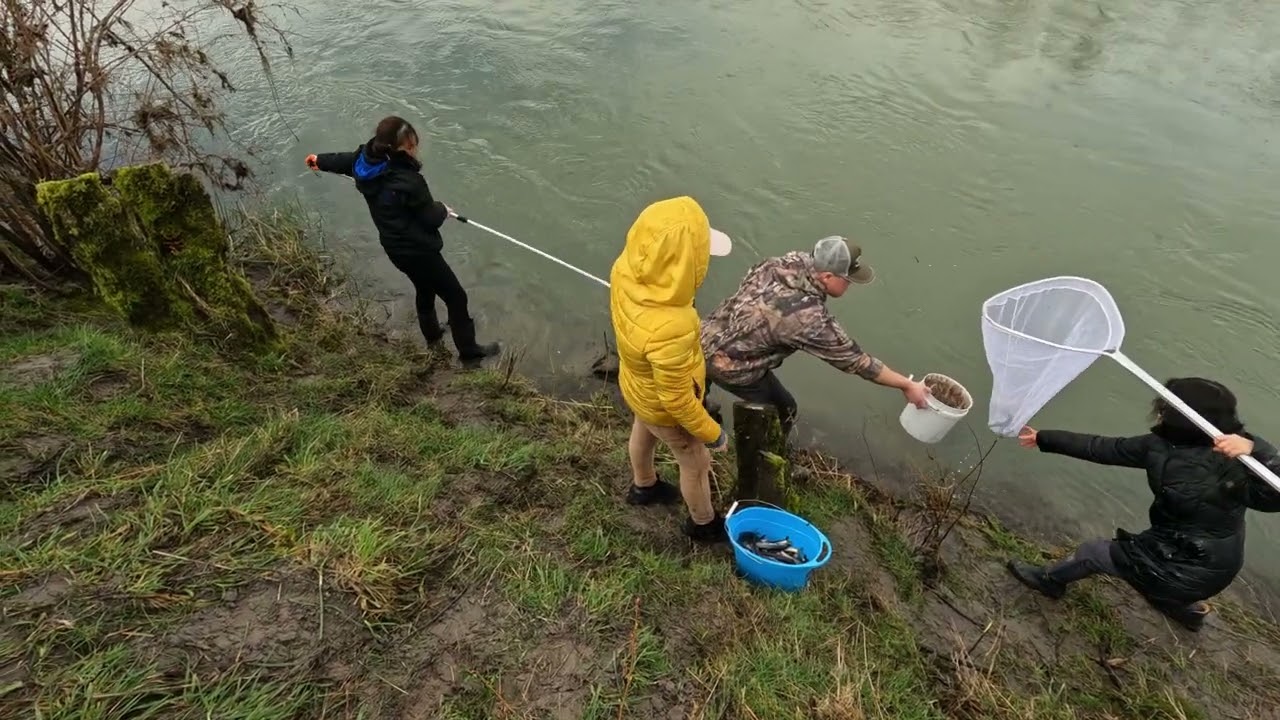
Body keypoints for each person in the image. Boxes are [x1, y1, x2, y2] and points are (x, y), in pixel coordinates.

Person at [1007, 377, 1280, 632]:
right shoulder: (1158, 446)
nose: (1160, 411)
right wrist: (1045, 438)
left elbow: (1275, 495)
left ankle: (1050, 582)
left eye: (1166, 407)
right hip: (1182, 551)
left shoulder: (1237, 461)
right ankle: (1188, 612)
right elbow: (1104, 448)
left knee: (1093, 553)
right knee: (1160, 583)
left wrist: (1258, 449)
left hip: (1195, 566)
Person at [305, 116, 499, 366]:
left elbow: (342, 161)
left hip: (394, 250)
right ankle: (469, 353)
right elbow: (430, 218)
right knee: (456, 297)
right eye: (411, 146)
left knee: (424, 288)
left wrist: (318, 160)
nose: (415, 149)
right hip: (419, 252)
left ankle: (433, 337)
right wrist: (443, 209)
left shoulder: (363, 160)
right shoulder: (409, 181)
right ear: (400, 148)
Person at [700, 236, 930, 440]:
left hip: (699, 339)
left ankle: (700, 408)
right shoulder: (808, 319)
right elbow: (856, 361)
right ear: (828, 276)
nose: (849, 284)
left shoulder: (778, 263)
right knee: (784, 410)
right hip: (731, 368)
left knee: (698, 384)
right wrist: (907, 385)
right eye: (847, 279)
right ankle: (762, 460)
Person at [610, 196, 734, 542]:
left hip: (636, 384)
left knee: (643, 430)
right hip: (663, 405)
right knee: (695, 462)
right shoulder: (673, 326)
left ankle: (644, 487)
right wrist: (714, 434)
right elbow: (677, 401)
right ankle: (703, 524)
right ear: (684, 262)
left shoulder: (624, 271)